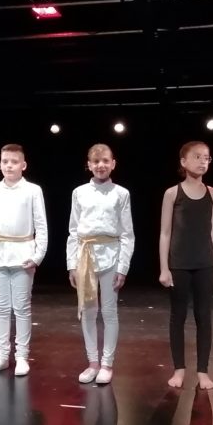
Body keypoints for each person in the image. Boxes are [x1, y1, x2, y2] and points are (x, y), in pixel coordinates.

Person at [0, 144, 48, 376]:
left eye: (14, 162)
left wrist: (38, 255)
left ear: (23, 165)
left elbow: (41, 225)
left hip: (23, 254)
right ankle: (2, 356)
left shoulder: (33, 190)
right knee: (1, 308)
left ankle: (22, 356)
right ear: (0, 163)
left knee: (22, 307)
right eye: (5, 161)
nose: (9, 165)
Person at [158, 141, 213, 391]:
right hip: (179, 263)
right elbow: (165, 233)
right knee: (178, 316)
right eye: (197, 157)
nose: (202, 161)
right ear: (183, 162)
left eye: (206, 157)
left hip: (205, 262)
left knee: (203, 316)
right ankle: (179, 369)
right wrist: (164, 267)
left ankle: (203, 371)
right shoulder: (172, 193)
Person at [66, 143, 135, 385]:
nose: (101, 165)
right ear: (89, 165)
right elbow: (73, 230)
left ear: (113, 163)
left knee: (108, 310)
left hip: (110, 255)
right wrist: (71, 264)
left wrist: (122, 267)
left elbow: (127, 233)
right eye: (96, 161)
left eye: (105, 160)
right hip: (85, 255)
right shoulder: (79, 192)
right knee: (88, 310)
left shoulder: (121, 193)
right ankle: (92, 362)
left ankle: (107, 363)